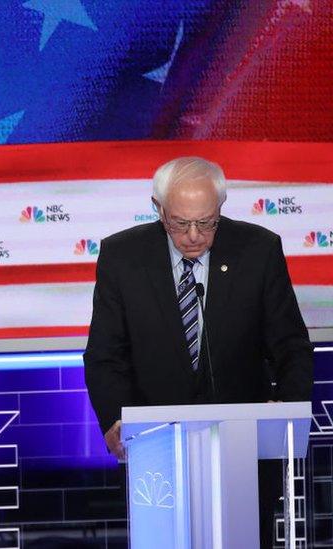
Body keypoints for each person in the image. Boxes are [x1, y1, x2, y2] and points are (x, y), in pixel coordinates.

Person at [84, 156, 313, 548]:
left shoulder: (258, 250)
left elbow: (291, 345)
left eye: (206, 223)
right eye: (179, 223)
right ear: (158, 209)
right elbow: (105, 354)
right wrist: (113, 420)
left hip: (244, 448)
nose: (193, 235)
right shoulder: (123, 257)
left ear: (220, 210)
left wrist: (284, 414)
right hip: (157, 446)